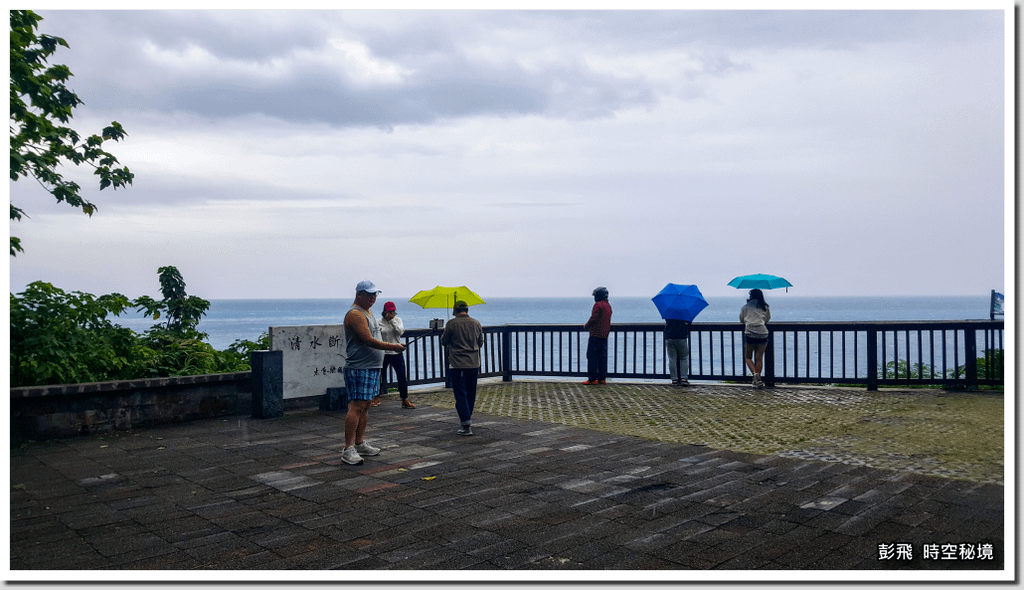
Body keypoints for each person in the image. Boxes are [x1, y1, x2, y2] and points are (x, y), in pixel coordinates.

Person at [341, 280, 406, 465]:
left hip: (372, 367)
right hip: (359, 367)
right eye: (369, 295)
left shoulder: (368, 312)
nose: (373, 298)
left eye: (375, 295)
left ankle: (360, 443)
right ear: (358, 294)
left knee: (367, 405)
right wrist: (393, 346)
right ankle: (348, 448)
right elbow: (368, 340)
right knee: (356, 406)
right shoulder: (355, 314)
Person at [440, 300, 484, 436]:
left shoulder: (451, 324)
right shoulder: (476, 323)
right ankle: (467, 419)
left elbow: (444, 342)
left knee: (460, 393)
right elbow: (480, 342)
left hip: (456, 364)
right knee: (471, 392)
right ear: (467, 310)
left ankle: (466, 423)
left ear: (454, 311)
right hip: (473, 363)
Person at [376, 301, 414, 409]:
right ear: (384, 311)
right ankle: (376, 397)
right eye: (389, 311)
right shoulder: (378, 322)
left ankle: (404, 399)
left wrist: (392, 321)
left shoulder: (398, 320)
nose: (392, 313)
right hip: (383, 352)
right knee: (380, 375)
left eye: (393, 311)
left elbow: (400, 332)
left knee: (401, 376)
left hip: (396, 351)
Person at [739, 289, 771, 388]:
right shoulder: (765, 307)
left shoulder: (746, 307)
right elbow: (767, 319)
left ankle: (755, 376)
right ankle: (757, 380)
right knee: (759, 358)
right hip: (762, 333)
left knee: (748, 357)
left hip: (750, 333)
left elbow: (741, 319)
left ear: (750, 296)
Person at [583, 286, 612, 385]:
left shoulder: (598, 305)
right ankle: (602, 378)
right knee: (602, 357)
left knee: (591, 356)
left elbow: (593, 318)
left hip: (595, 335)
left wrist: (586, 326)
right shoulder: (608, 306)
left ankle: (592, 378)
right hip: (604, 335)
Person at [665, 318, 691, 386]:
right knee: (684, 358)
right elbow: (688, 322)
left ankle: (674, 379)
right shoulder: (683, 313)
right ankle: (683, 378)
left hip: (669, 336)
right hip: (681, 336)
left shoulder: (669, 313)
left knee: (672, 358)